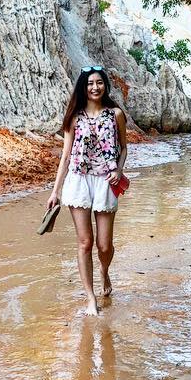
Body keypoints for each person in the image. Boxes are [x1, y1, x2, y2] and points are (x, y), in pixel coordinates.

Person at [46, 65, 128, 315]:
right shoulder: (74, 116)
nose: (95, 87)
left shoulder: (115, 114)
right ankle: (90, 297)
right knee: (85, 243)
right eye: (90, 83)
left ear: (105, 86)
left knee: (104, 245)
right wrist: (55, 191)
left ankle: (104, 271)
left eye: (99, 83)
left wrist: (119, 170)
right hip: (78, 180)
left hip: (106, 181)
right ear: (84, 86)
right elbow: (66, 155)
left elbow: (123, 147)